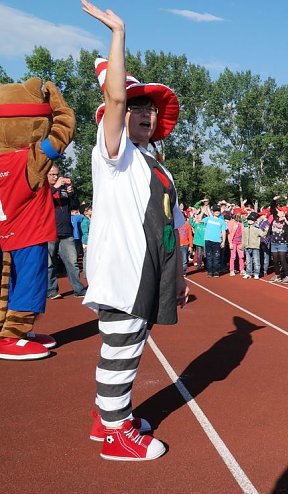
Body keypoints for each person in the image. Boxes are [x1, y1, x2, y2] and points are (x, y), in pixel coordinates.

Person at [81, 0, 190, 461]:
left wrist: (177, 276)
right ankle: (114, 433)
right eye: (136, 107)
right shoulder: (115, 154)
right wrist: (118, 34)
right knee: (121, 348)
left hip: (149, 270)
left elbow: (172, 226)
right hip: (123, 270)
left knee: (128, 345)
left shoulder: (154, 164)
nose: (144, 114)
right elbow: (115, 99)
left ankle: (107, 416)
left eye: (150, 109)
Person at [46, 167, 86, 299]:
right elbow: (43, 202)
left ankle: (78, 289)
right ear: (46, 175)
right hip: (49, 232)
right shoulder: (43, 188)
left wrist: (72, 194)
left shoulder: (63, 189)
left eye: (57, 174)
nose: (55, 177)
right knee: (49, 264)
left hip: (66, 232)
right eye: (52, 174)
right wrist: (54, 188)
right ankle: (51, 290)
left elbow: (74, 206)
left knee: (72, 262)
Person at [202, 204, 227, 277]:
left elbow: (223, 231)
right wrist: (202, 212)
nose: (217, 212)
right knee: (209, 256)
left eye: (218, 211)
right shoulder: (208, 219)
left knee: (216, 257)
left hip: (217, 241)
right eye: (215, 211)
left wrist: (223, 241)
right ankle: (210, 272)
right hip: (208, 240)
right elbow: (199, 220)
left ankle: (216, 271)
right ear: (212, 211)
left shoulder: (221, 221)